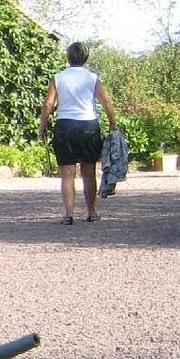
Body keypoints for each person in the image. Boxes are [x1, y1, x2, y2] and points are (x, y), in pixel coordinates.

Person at [40, 41, 118, 224]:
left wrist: (42, 126)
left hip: (65, 126)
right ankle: (91, 211)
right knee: (88, 171)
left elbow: (48, 104)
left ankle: (69, 214)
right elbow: (106, 101)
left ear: (68, 56)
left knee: (67, 173)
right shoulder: (92, 78)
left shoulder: (58, 77)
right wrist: (113, 124)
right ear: (86, 57)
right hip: (88, 126)